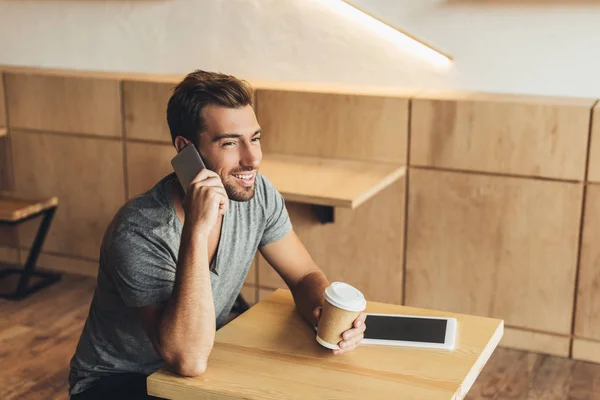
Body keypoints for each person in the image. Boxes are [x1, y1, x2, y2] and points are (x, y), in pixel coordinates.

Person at [68, 70, 367, 399]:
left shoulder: (257, 194)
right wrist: (197, 228)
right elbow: (187, 359)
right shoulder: (139, 230)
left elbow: (304, 275)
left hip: (197, 366)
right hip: (119, 382)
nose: (252, 159)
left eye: (254, 138)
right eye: (229, 143)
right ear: (187, 150)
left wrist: (324, 316)